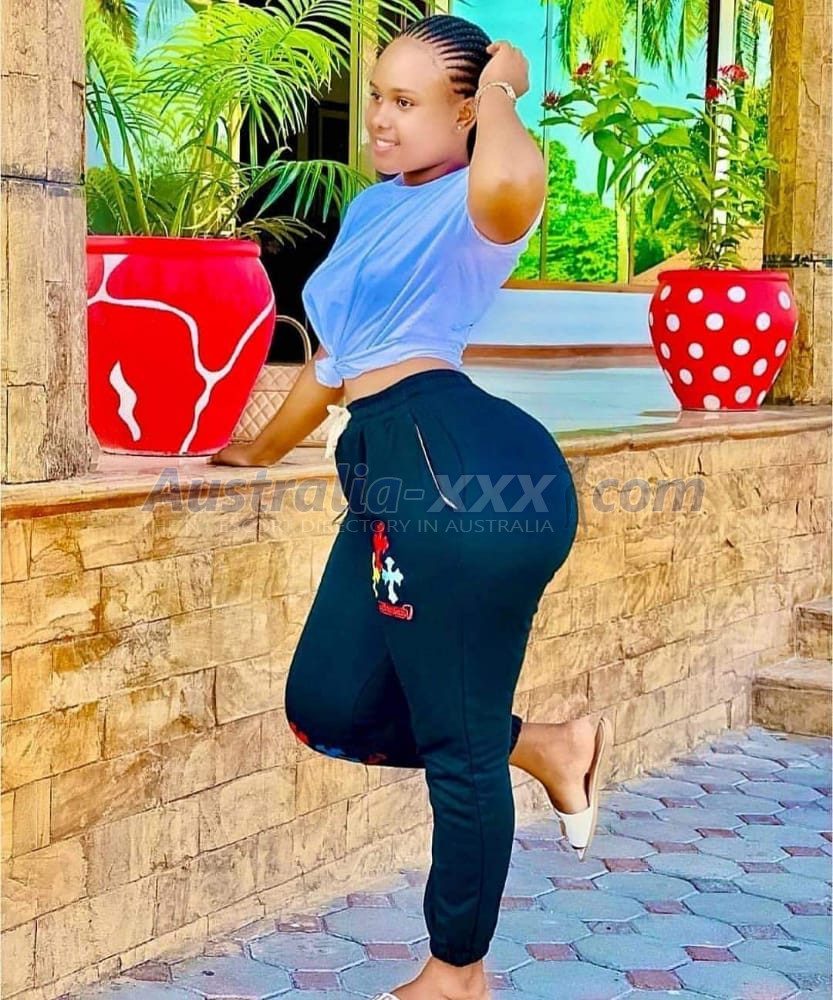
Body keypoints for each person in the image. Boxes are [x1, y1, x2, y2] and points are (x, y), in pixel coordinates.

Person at [211, 14, 610, 1000]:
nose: (378, 120)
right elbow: (335, 361)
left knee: (455, 752)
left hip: (455, 473)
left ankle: (454, 976)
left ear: (463, 113)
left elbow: (513, 185)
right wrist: (254, 448)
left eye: (404, 102)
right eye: (376, 97)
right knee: (327, 704)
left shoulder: (476, 200)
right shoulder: (372, 207)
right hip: (392, 474)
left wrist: (504, 88)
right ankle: (547, 745)